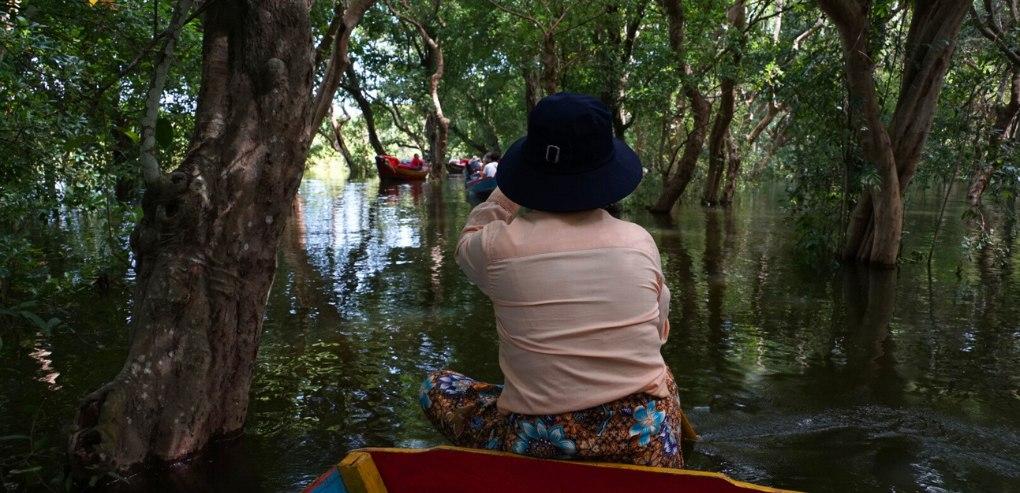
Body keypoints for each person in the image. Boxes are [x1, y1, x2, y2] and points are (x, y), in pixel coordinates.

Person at [419, 93, 694, 469]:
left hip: (540, 442)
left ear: (531, 170)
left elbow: (468, 239)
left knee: (436, 387)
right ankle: (672, 451)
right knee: (663, 374)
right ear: (606, 170)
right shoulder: (640, 241)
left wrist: (507, 192)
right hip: (643, 440)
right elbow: (660, 329)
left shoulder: (498, 246)